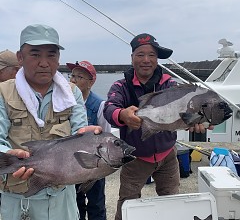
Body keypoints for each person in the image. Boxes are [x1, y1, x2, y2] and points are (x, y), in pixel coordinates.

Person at [103, 33, 214, 220]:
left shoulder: (170, 84)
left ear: (157, 59)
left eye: (152, 55)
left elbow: (186, 106)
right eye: (140, 54)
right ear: (132, 58)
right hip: (134, 158)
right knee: (127, 205)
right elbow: (109, 108)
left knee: (172, 203)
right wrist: (122, 114)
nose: (146, 60)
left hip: (168, 156)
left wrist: (195, 121)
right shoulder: (121, 86)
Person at [0, 24, 101, 220]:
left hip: (62, 198)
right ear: (20, 57)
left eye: (51, 55)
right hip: (18, 199)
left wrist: (87, 138)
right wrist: (7, 156)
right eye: (35, 54)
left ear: (58, 58)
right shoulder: (3, 92)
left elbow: (79, 131)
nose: (44, 63)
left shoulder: (72, 93)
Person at [66, 60, 111, 220]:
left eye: (79, 77)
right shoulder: (65, 102)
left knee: (96, 203)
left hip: (94, 164)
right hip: (72, 163)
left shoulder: (99, 105)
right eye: (72, 76)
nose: (73, 80)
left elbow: (106, 135)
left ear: (91, 82)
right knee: (74, 202)